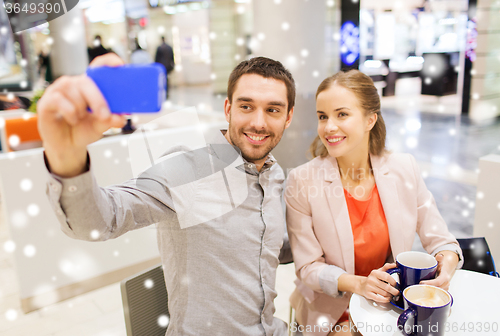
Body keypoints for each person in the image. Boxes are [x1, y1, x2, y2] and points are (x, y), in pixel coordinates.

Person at [37, 54, 295, 335]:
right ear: (228, 109)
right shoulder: (191, 170)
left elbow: (263, 245)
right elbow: (100, 221)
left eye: (273, 110)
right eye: (247, 106)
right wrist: (66, 152)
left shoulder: (274, 173)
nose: (259, 123)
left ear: (288, 117)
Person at [285, 70, 463, 336]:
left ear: (370, 119)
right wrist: (359, 285)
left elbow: (441, 240)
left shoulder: (404, 168)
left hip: (389, 310)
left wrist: (445, 266)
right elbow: (308, 269)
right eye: (323, 116)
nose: (329, 127)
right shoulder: (302, 180)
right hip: (332, 312)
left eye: (342, 114)